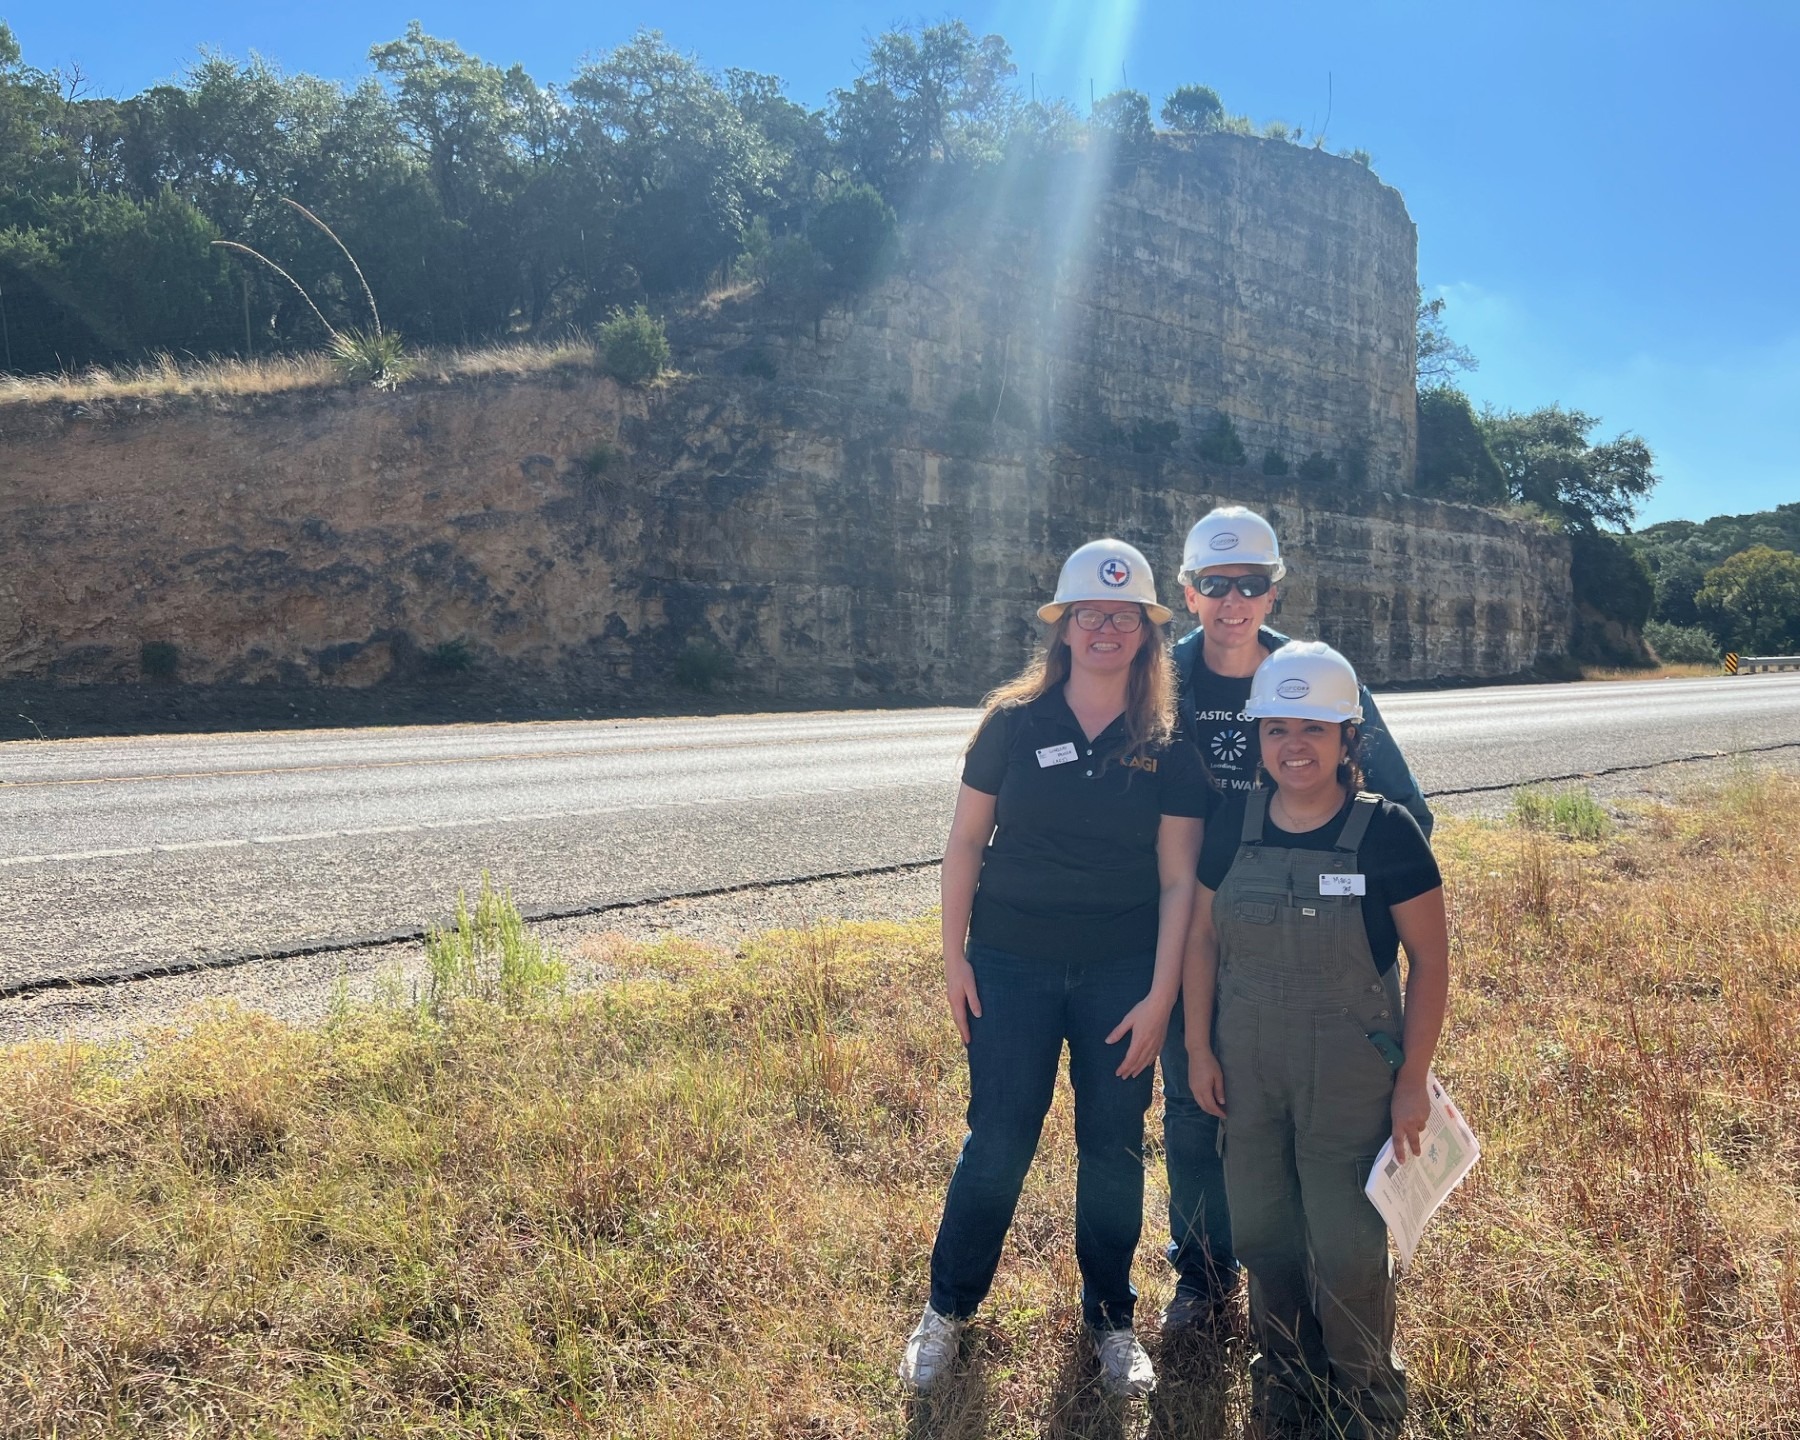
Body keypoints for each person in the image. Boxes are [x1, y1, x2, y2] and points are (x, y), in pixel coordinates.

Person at [899, 538, 1209, 1401]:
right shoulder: (1013, 723)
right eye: (1089, 614)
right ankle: (947, 1310)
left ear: (1147, 634)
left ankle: (1111, 1318)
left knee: (1111, 1147)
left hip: (1120, 971)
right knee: (997, 1139)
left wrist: (1160, 993)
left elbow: (1179, 876)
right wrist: (954, 958)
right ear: (1064, 629)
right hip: (1010, 963)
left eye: (1123, 616)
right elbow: (966, 843)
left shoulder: (1168, 746)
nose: (1105, 628)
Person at [1159, 505, 1434, 1338]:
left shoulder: (1314, 673)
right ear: (1189, 591)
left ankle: (1323, 1280)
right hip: (1194, 926)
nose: (1233, 599)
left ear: (1274, 591)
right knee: (1195, 1108)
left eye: (1250, 584)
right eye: (1216, 583)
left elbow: (1401, 820)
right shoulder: (1160, 681)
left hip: (1310, 946)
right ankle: (1205, 1278)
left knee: (1318, 1129)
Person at [1181, 641, 1449, 1439]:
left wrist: (1414, 1081)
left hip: (1349, 1079)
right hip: (1249, 1068)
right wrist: (1198, 1048)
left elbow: (1431, 963)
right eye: (1275, 730)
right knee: (1261, 1228)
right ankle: (1287, 1379)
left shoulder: (1387, 832)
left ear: (1347, 740)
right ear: (1258, 739)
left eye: (1313, 729)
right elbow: (1201, 940)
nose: (1293, 746)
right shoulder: (1235, 822)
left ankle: (1366, 1397)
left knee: (1344, 1245)